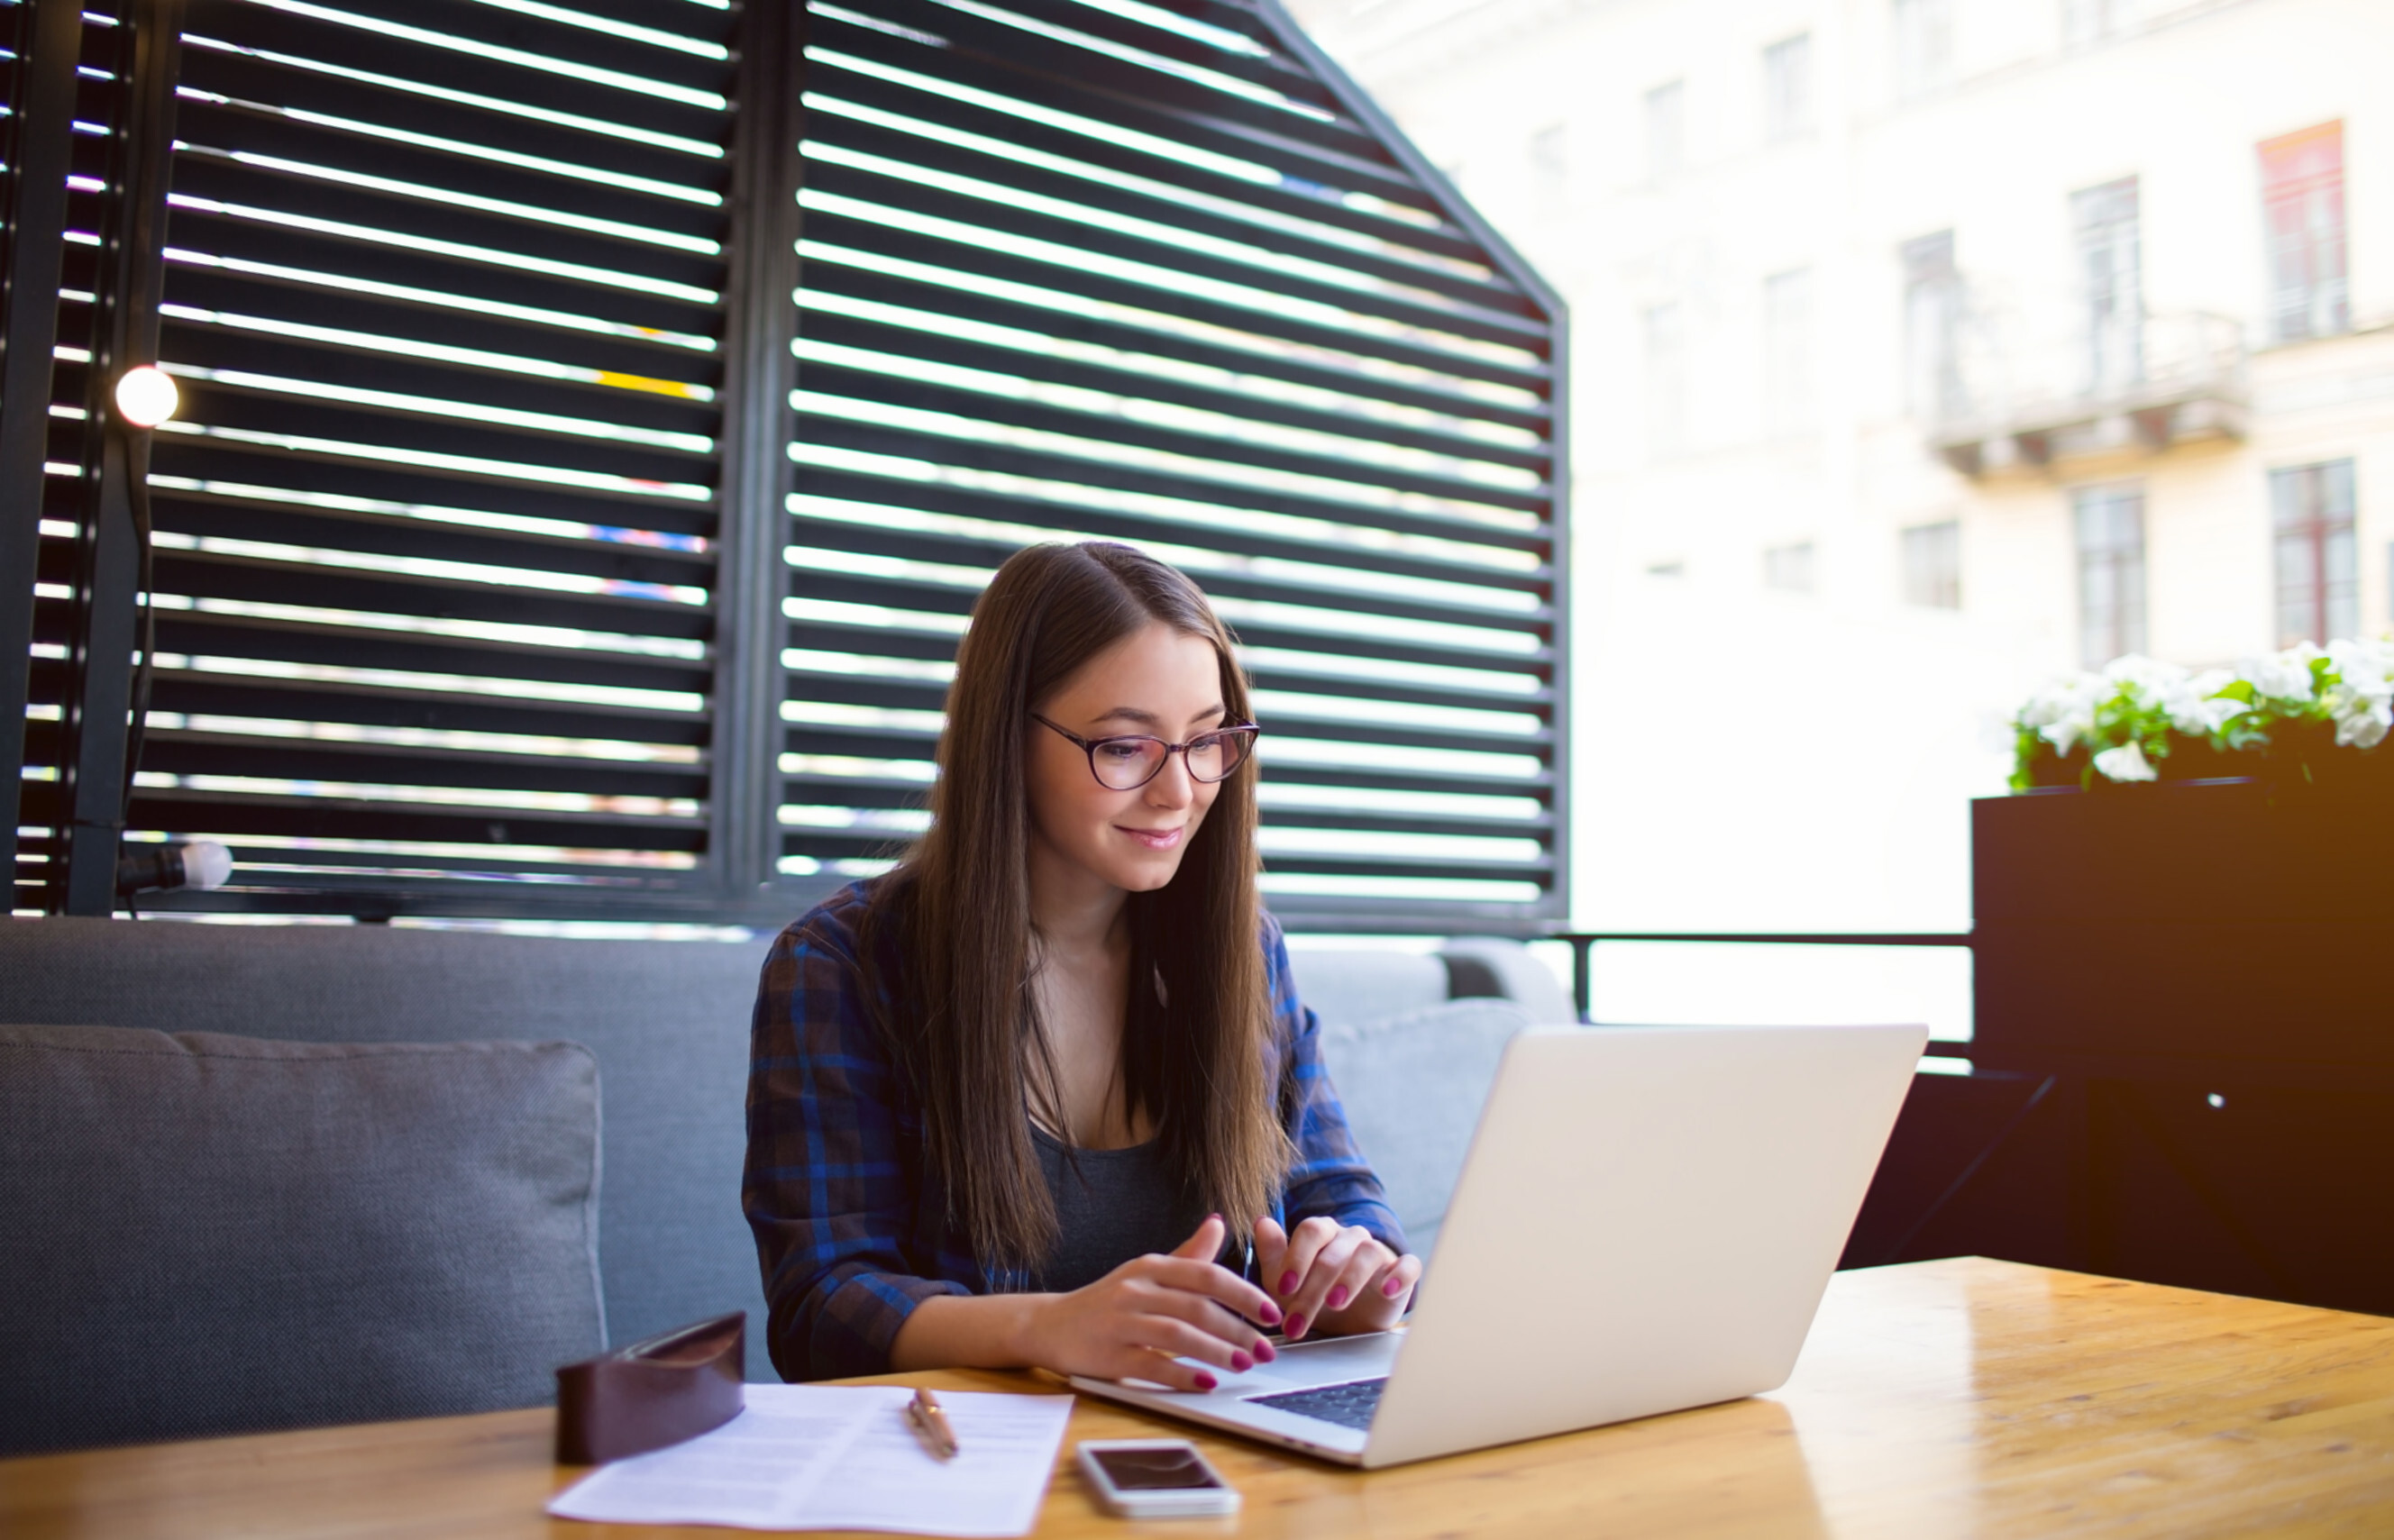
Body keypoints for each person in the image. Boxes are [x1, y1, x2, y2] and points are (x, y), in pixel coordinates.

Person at [744, 541, 1420, 1388]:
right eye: (1127, 747)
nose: (1182, 791)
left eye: (1209, 740)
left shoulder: (1242, 948)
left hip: (1229, 1455)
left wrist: (1362, 1269)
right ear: (1007, 741)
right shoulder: (842, 966)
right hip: (971, 1476)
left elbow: (1336, 1191)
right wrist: (1048, 1327)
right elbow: (821, 1307)